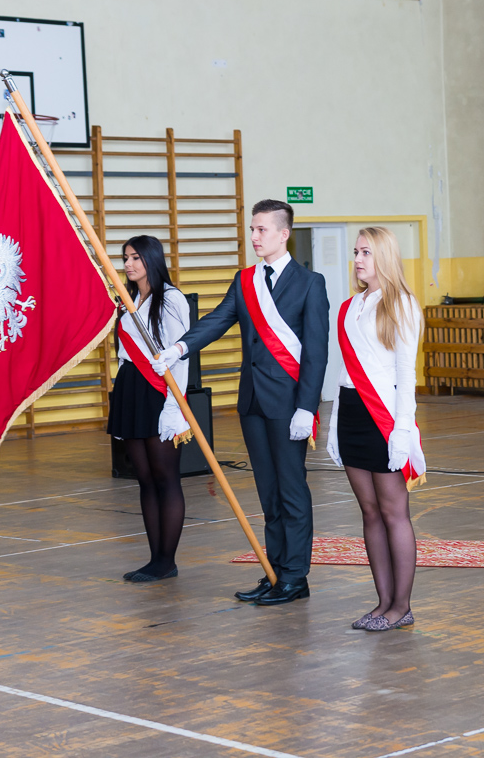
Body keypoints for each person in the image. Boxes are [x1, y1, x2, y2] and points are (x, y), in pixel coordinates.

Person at [153, 199, 329, 605]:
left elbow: (317, 352)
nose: (254, 237)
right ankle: (275, 571)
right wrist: (179, 348)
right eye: (252, 229)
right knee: (268, 492)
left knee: (291, 491)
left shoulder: (310, 283)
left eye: (262, 229)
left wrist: (307, 407)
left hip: (289, 405)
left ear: (284, 234)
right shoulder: (245, 280)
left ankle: (295, 577)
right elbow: (218, 320)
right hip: (252, 402)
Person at [327, 227, 425, 632]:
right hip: (351, 413)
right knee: (369, 512)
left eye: (366, 252)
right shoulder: (349, 307)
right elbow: (346, 372)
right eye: (356, 252)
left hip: (384, 417)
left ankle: (402, 606)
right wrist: (334, 427)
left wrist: (401, 431)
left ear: (384, 256)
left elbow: (406, 373)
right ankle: (383, 602)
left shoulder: (401, 304)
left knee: (393, 512)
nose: (358, 260)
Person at [107, 235, 192, 583]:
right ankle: (154, 558)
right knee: (144, 480)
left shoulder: (171, 299)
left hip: (159, 392)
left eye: (136, 258)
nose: (128, 264)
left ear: (152, 260)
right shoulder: (129, 300)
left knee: (165, 478)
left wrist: (175, 407)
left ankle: (166, 560)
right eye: (126, 258)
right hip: (131, 388)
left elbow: (181, 357)